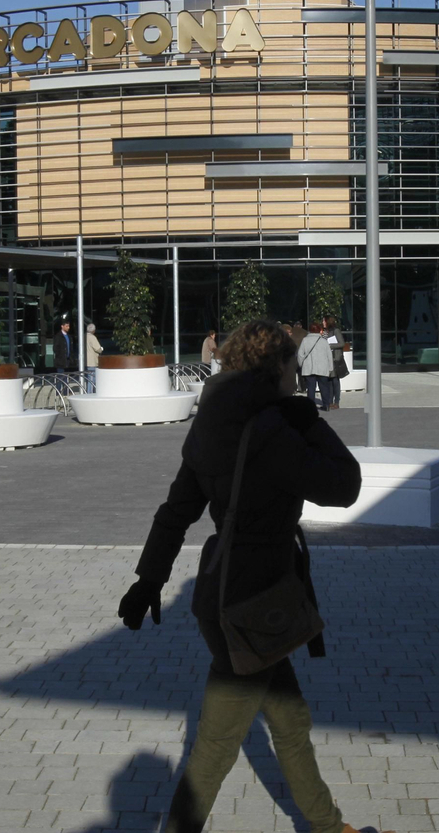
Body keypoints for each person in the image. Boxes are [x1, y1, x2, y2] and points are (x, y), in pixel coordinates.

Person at [117, 320, 378, 833]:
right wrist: (306, 416)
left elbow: (176, 512)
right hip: (257, 605)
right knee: (217, 742)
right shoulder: (274, 431)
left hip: (226, 592)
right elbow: (344, 485)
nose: (295, 377)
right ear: (278, 368)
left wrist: (148, 580)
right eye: (292, 368)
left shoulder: (213, 424)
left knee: (290, 719)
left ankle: (329, 826)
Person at [295, 320, 334, 409]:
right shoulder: (324, 341)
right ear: (319, 330)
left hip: (309, 368)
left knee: (311, 388)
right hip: (322, 368)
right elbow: (329, 355)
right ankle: (326, 405)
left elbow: (300, 354)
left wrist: (302, 365)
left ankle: (311, 406)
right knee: (324, 387)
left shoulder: (305, 340)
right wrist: (330, 367)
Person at [324, 317, 345, 409]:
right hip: (329, 359)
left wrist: (329, 345)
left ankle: (336, 401)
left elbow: (342, 343)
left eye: (324, 321)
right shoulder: (327, 332)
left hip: (335, 359)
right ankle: (330, 401)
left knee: (335, 380)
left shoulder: (336, 331)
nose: (323, 322)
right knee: (330, 380)